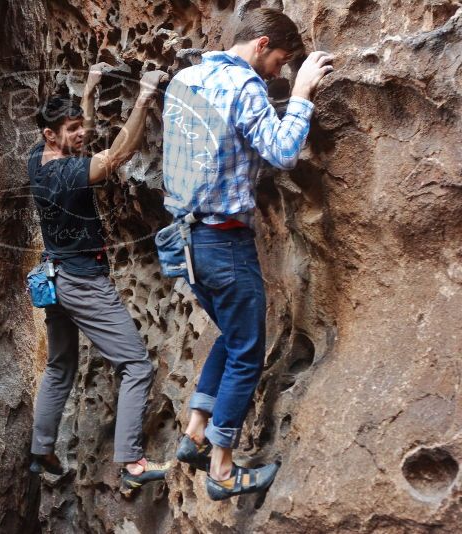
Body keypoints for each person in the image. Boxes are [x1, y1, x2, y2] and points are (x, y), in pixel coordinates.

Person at [161, 8, 333, 500]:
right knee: (247, 352)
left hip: (184, 242)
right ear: (261, 45)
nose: (278, 71)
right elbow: (282, 153)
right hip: (225, 242)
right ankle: (221, 469)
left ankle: (195, 431)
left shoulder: (184, 80)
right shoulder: (245, 86)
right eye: (279, 60)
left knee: (232, 336)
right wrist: (301, 94)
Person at [28, 67, 171, 491]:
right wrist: (144, 98)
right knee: (136, 365)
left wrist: (89, 91)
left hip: (54, 278)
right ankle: (131, 463)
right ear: (50, 134)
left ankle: (41, 450)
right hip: (83, 282)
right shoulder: (66, 175)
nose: (80, 134)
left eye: (79, 125)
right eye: (71, 129)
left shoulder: (38, 158)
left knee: (60, 366)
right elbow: (116, 157)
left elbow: (83, 142)